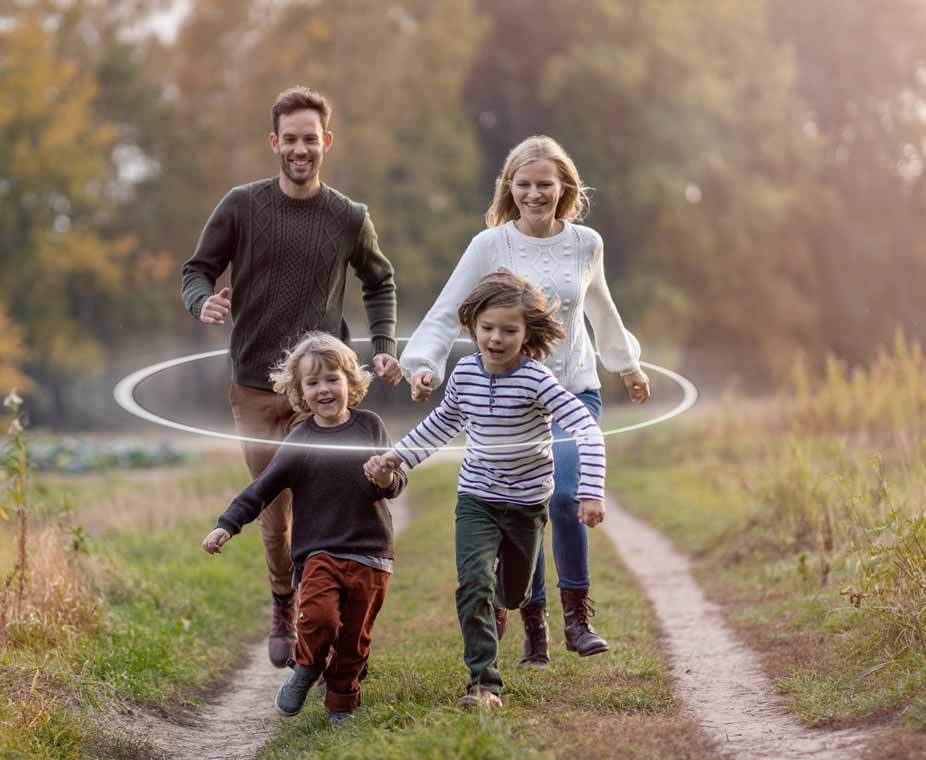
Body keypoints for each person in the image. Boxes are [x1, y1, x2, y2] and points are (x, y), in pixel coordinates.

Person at [398, 135, 648, 666]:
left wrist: (626, 365)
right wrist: (423, 365)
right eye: (525, 184)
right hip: (512, 397)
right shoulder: (490, 245)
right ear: (510, 187)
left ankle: (577, 616)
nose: (535, 194)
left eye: (545, 185)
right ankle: (534, 620)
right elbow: (450, 309)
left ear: (564, 188)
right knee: (524, 503)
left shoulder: (587, 243)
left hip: (574, 387)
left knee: (565, 493)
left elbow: (601, 308)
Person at [181, 86, 403, 668]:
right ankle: (285, 599)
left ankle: (317, 603)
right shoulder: (240, 206)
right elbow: (196, 269)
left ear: (325, 142)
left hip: (320, 389)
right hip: (255, 384)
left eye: (311, 139)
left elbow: (379, 281)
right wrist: (201, 300)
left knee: (327, 503)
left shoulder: (349, 216)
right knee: (274, 511)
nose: (300, 149)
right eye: (290, 139)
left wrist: (380, 346)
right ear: (274, 142)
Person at [365, 270, 606, 708]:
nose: (496, 338)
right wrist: (397, 457)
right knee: (473, 582)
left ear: (527, 331)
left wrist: (591, 490)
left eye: (509, 330)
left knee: (510, 594)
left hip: (527, 503)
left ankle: (501, 607)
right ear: (472, 325)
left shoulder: (537, 380)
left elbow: (585, 428)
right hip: (476, 497)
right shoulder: (465, 373)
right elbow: (441, 424)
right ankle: (483, 684)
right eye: (487, 328)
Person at [202, 332, 405, 725]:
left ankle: (340, 704)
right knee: (319, 619)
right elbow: (261, 488)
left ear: (351, 382)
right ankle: (307, 668)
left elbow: (396, 484)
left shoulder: (370, 427)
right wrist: (226, 525)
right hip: (320, 553)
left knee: (354, 639)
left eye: (332, 378)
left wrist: (385, 479)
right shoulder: (301, 439)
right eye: (312, 383)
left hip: (372, 554)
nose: (324, 389)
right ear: (299, 392)